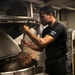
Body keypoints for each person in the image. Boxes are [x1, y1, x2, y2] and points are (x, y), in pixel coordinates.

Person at [21, 5, 68, 75]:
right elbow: (40, 48)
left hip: (59, 61)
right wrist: (28, 44)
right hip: (49, 61)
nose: (41, 19)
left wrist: (27, 32)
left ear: (50, 15)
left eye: (42, 17)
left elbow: (42, 42)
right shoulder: (46, 30)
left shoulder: (59, 27)